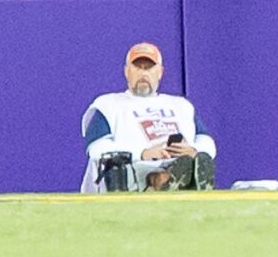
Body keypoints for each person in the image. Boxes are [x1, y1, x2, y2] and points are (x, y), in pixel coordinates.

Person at [81, 40, 217, 190]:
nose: (143, 73)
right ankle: (165, 180)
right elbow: (96, 149)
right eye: (137, 67)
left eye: (149, 68)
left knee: (195, 161)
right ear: (126, 71)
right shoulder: (108, 104)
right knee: (147, 170)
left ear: (160, 72)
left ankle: (184, 177)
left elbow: (207, 141)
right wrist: (143, 153)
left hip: (178, 160)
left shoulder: (181, 106)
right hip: (134, 171)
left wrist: (194, 150)